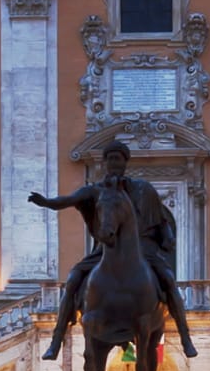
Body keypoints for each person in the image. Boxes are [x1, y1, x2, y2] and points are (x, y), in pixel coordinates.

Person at [30, 140, 193, 359]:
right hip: (105, 249)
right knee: (72, 280)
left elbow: (162, 220)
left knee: (168, 280)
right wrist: (48, 202)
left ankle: (185, 338)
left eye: (118, 158)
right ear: (105, 163)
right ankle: (56, 341)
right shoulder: (96, 191)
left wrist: (168, 237)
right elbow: (68, 200)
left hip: (143, 249)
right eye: (110, 159)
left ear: (125, 162)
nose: (114, 163)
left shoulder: (144, 190)